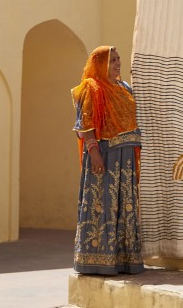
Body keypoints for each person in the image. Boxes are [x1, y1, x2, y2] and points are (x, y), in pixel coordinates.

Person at [71, 45, 143, 274]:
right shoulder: (92, 88)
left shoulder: (125, 88)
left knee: (125, 205)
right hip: (104, 155)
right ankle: (96, 260)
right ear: (100, 63)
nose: (118, 63)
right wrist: (94, 153)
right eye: (112, 60)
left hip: (126, 157)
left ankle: (124, 260)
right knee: (102, 204)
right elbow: (86, 125)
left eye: (118, 59)